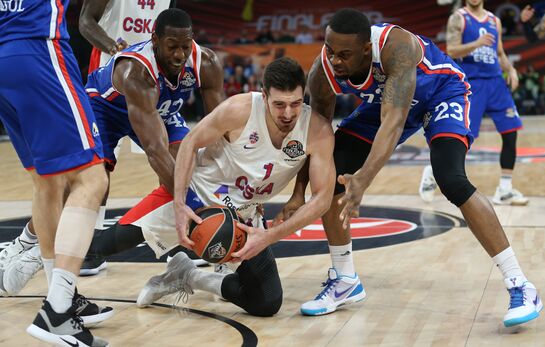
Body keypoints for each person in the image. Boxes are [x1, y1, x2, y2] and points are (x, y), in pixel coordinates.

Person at [280, 9, 542, 327]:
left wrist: (363, 179)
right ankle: (345, 278)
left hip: (443, 93)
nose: (335, 60)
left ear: (367, 48)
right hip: (386, 102)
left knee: (450, 178)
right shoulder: (323, 72)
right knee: (333, 171)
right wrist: (297, 192)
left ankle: (520, 284)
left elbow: (394, 121)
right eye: (331, 51)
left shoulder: (396, 46)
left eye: (344, 54)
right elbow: (318, 136)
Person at [94, 57, 335, 316]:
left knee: (266, 302)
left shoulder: (317, 131)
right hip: (196, 199)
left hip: (242, 218)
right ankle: (48, 261)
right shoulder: (239, 109)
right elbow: (190, 143)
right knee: (92, 250)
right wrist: (179, 203)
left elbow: (323, 198)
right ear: (264, 96)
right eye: (279, 105)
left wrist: (269, 236)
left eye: (295, 104)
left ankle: (188, 275)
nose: (288, 114)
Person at [2, 9, 225, 289]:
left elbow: (219, 127)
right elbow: (155, 150)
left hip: (159, 108)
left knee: (189, 166)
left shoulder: (206, 62)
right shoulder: (135, 71)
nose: (180, 55)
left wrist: (226, 185)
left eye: (185, 45)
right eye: (172, 47)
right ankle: (26, 242)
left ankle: (180, 248)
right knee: (88, 185)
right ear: (155, 40)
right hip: (106, 107)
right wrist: (195, 205)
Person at [0, 0, 111, 345]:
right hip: (39, 50)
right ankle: (57, 312)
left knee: (47, 182)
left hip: (5, 57)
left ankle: (60, 294)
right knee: (92, 178)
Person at [419, 0, 528, 205]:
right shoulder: (459, 17)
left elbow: (500, 52)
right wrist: (477, 44)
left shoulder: (494, 21)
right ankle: (433, 171)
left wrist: (511, 70)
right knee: (465, 137)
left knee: (511, 133)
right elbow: (451, 50)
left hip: (496, 82)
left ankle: (505, 189)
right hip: (471, 83)